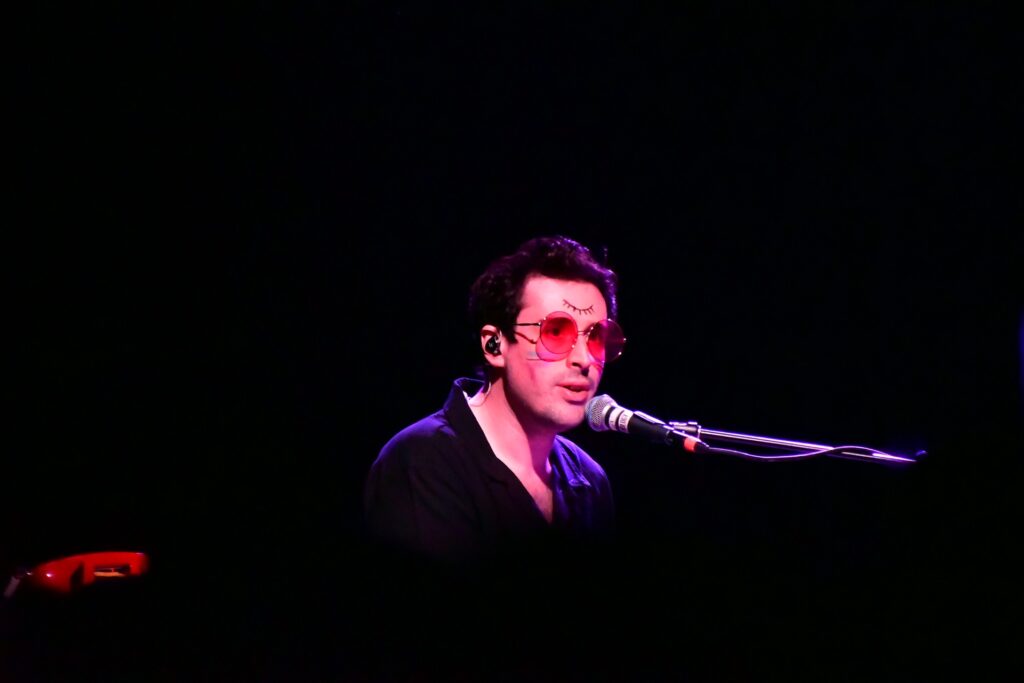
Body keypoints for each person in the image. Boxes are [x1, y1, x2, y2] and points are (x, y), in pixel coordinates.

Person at [363, 235, 624, 566]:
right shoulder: (422, 462)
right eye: (556, 332)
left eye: (597, 337)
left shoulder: (591, 482)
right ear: (494, 345)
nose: (584, 359)